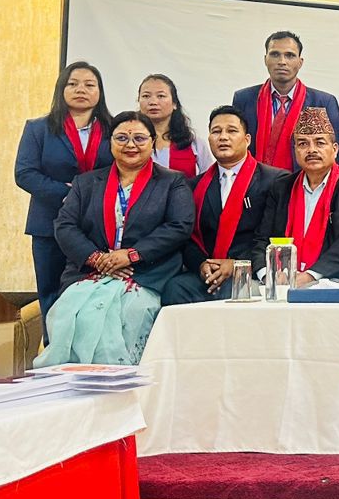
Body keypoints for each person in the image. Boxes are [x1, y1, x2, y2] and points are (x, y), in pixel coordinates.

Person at [35, 112, 194, 366]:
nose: (130, 145)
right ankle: (72, 383)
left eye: (139, 138)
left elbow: (179, 226)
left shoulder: (172, 182)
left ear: (152, 142)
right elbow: (65, 226)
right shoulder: (86, 183)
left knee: (131, 312)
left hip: (145, 275)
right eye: (122, 138)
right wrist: (97, 259)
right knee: (68, 312)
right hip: (91, 273)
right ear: (110, 143)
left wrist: (131, 255)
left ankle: (124, 382)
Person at [15, 62, 115, 322]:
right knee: (51, 292)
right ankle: (53, 345)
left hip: (98, 225)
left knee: (94, 293)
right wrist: (67, 193)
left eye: (89, 85)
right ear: (61, 89)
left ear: (100, 92)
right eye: (73, 84)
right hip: (49, 224)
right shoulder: (38, 128)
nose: (81, 89)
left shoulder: (114, 129)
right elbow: (24, 173)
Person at [163, 105, 291, 305]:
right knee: (175, 288)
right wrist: (202, 264)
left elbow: (273, 235)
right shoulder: (194, 185)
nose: (223, 137)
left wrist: (237, 264)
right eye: (216, 132)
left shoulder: (275, 180)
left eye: (231, 131)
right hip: (208, 273)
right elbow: (186, 237)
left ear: (247, 139)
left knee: (234, 289)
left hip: (251, 270)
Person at [253, 108, 339, 287]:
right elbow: (262, 238)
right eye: (303, 144)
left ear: (335, 149)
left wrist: (310, 275)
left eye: (320, 143)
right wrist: (268, 275)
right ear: (295, 151)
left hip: (331, 279)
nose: (311, 150)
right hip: (279, 280)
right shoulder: (281, 187)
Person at [230, 31, 339, 171]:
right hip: (254, 179)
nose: (282, 61)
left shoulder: (323, 102)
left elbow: (335, 156)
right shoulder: (244, 99)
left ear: (300, 62)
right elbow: (235, 147)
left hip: (303, 181)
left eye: (289, 55)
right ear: (265, 59)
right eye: (275, 54)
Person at [138, 73, 208, 178]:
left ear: (174, 103)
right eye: (146, 96)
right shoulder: (129, 143)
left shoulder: (194, 143)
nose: (153, 102)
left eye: (161, 96)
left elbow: (208, 180)